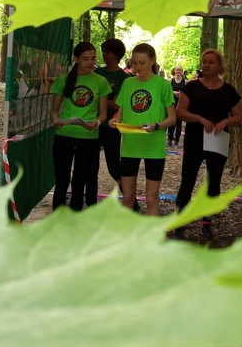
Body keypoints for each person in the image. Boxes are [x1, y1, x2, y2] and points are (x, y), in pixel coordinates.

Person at [174, 48, 242, 239]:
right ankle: (180, 223)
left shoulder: (228, 90)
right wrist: (198, 118)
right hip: (195, 140)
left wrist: (225, 121)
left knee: (213, 183)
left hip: (218, 141)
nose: (207, 65)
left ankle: (207, 222)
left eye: (211, 62)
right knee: (187, 181)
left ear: (220, 66)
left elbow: (239, 117)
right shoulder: (192, 87)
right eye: (204, 62)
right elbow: (180, 112)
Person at [109, 43, 176, 215]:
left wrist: (156, 126)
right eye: (134, 62)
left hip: (154, 148)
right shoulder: (128, 83)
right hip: (130, 147)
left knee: (151, 198)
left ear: (152, 61)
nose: (137, 67)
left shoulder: (163, 85)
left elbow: (172, 118)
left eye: (142, 62)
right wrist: (115, 121)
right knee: (128, 196)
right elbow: (120, 114)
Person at [49, 41, 110, 211]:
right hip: (64, 135)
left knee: (80, 180)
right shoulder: (63, 80)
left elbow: (103, 113)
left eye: (93, 58)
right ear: (76, 59)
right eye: (85, 59)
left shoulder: (101, 81)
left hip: (88, 138)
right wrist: (56, 120)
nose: (90, 62)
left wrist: (96, 123)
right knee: (62, 180)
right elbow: (53, 110)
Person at [84, 38, 139, 210]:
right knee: (90, 166)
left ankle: (131, 201)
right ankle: (91, 203)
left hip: (111, 127)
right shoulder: (97, 73)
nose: (103, 54)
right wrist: (100, 101)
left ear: (115, 55)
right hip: (93, 125)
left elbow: (117, 103)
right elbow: (89, 96)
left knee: (114, 166)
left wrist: (98, 100)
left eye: (106, 51)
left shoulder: (124, 77)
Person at [167, 65, 187, 148]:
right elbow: (167, 91)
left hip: (181, 104)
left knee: (179, 123)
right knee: (171, 121)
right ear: (174, 71)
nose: (178, 71)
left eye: (180, 70)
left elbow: (187, 92)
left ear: (182, 71)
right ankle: (170, 140)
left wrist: (181, 94)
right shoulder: (170, 80)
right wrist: (174, 92)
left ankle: (176, 141)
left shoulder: (185, 81)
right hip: (172, 103)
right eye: (177, 70)